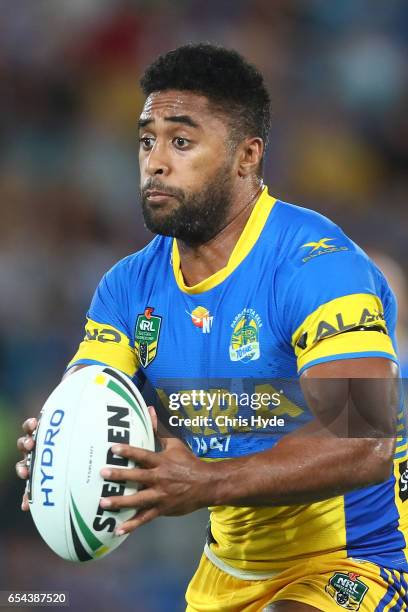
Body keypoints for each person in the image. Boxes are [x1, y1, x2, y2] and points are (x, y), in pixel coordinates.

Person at [16, 44, 406, 611]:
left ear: (247, 156)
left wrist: (207, 480)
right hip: (225, 570)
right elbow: (93, 400)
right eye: (146, 140)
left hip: (358, 559)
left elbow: (366, 442)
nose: (155, 161)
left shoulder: (319, 267)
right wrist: (61, 446)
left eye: (181, 141)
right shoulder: (127, 289)